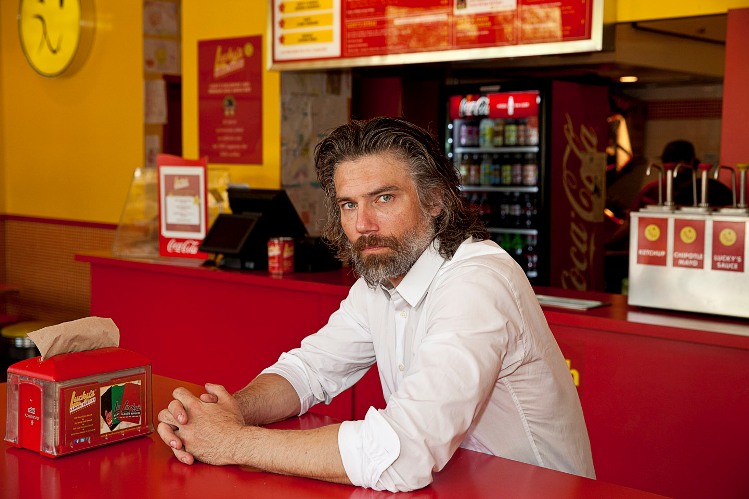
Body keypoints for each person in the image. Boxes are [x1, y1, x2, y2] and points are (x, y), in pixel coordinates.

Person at [157, 117, 595, 492]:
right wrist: (235, 410)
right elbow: (310, 371)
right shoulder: (381, 279)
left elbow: (405, 452)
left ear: (436, 199)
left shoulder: (477, 283)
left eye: (384, 198)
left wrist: (232, 442)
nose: (363, 225)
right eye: (349, 204)